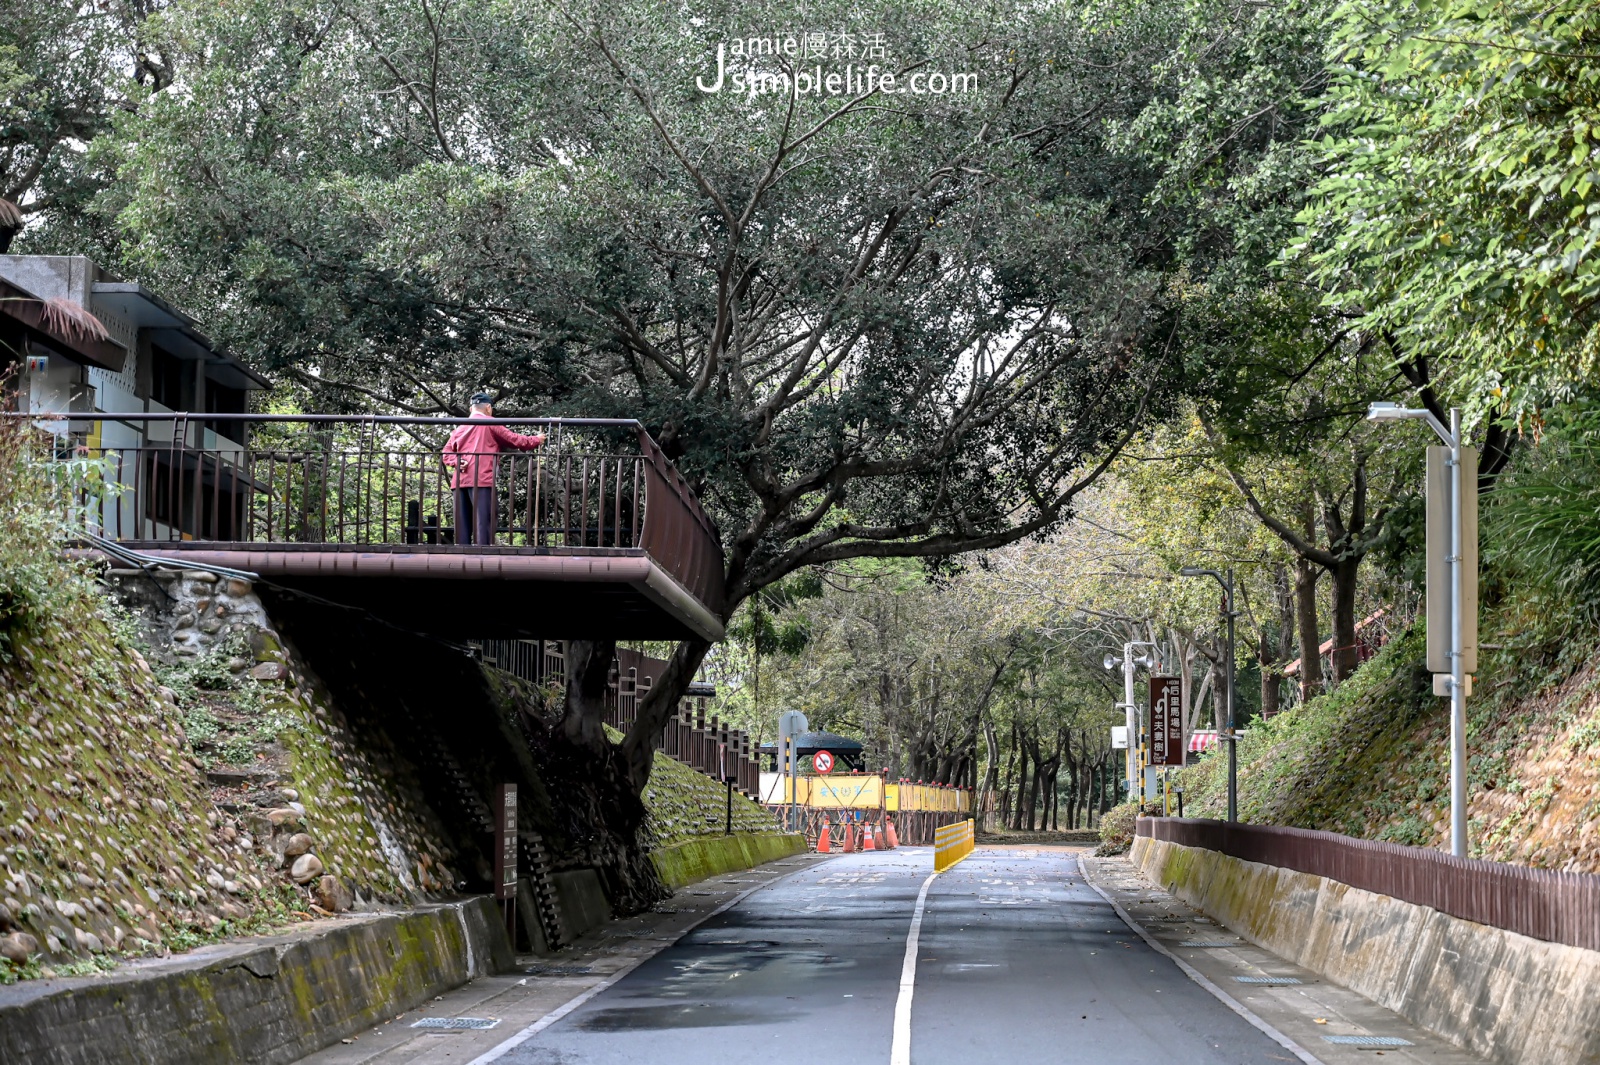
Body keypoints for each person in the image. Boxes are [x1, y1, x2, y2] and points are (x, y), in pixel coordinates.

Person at [442, 393, 546, 545]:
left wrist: (457, 461)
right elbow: (515, 439)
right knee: (483, 523)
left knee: (462, 526)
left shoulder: (459, 428)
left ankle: (461, 561)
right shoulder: (489, 422)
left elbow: (446, 452)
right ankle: (482, 560)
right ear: (489, 408)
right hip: (481, 479)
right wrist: (536, 439)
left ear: (471, 409)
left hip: (459, 481)